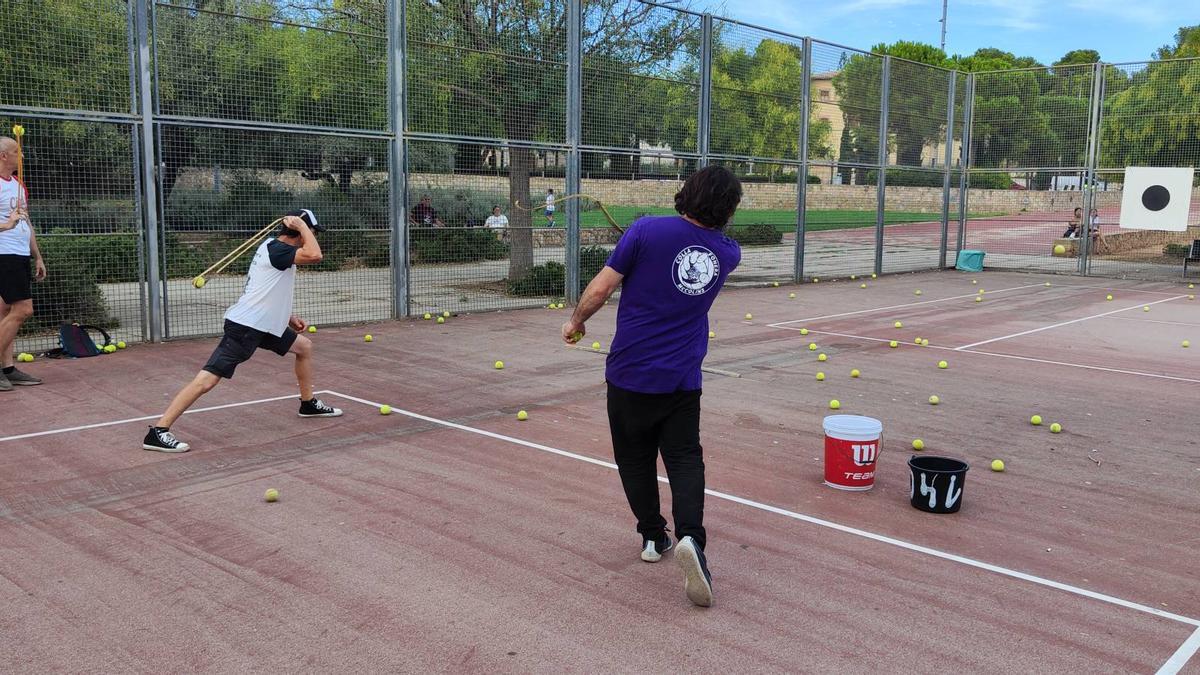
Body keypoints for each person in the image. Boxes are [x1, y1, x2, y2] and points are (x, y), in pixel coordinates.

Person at [561, 165, 743, 608]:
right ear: (727, 209)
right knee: (684, 458)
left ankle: (651, 536)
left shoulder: (644, 231)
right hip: (682, 379)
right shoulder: (728, 253)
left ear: (687, 193)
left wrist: (577, 321)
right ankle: (691, 540)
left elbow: (601, 289)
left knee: (634, 459)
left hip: (629, 375)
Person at [142, 209, 343, 453]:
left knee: (303, 347)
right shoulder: (279, 250)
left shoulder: (273, 247)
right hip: (246, 327)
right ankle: (159, 431)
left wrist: (287, 317)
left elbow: (263, 288)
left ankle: (308, 403)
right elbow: (315, 255)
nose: (312, 235)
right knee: (208, 379)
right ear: (298, 230)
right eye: (311, 230)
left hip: (264, 324)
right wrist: (302, 226)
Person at [0, 136, 46, 392]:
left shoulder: (18, 185)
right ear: (3, 156)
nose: (22, 156)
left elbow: (26, 222)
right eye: (17, 151)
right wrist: (5, 225)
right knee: (23, 310)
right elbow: (9, 223)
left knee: (4, 312)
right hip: (3, 253)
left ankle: (7, 369)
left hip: (19, 254)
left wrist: (36, 255)